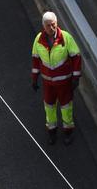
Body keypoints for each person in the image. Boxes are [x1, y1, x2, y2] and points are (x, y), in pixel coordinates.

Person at [30, 11, 81, 145]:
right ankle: (52, 132)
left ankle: (68, 132)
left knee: (66, 108)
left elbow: (76, 57)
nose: (51, 28)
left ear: (57, 23)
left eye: (53, 24)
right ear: (43, 26)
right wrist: (34, 78)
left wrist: (76, 77)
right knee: (49, 108)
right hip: (48, 84)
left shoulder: (66, 38)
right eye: (48, 25)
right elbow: (35, 59)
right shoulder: (38, 40)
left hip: (65, 83)